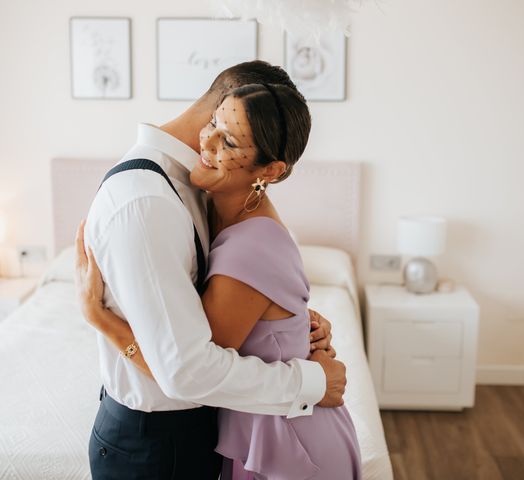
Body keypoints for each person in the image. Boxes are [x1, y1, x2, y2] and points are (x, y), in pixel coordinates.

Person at [78, 61, 350, 480]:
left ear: (269, 170)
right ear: (219, 103)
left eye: (230, 139)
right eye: (215, 125)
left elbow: (194, 367)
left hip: (272, 441)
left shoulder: (212, 204)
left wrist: (102, 321)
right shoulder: (153, 199)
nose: (208, 141)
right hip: (157, 441)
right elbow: (190, 369)